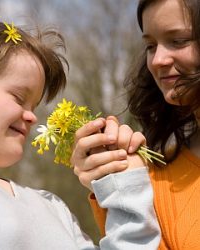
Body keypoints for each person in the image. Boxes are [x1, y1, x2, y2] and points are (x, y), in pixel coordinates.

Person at [0, 16, 141, 250]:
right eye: (19, 98)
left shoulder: (53, 206)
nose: (32, 117)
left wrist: (124, 187)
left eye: (34, 106)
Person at [71, 0, 200, 249]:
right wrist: (117, 183)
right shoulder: (150, 181)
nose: (158, 60)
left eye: (179, 40)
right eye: (151, 46)